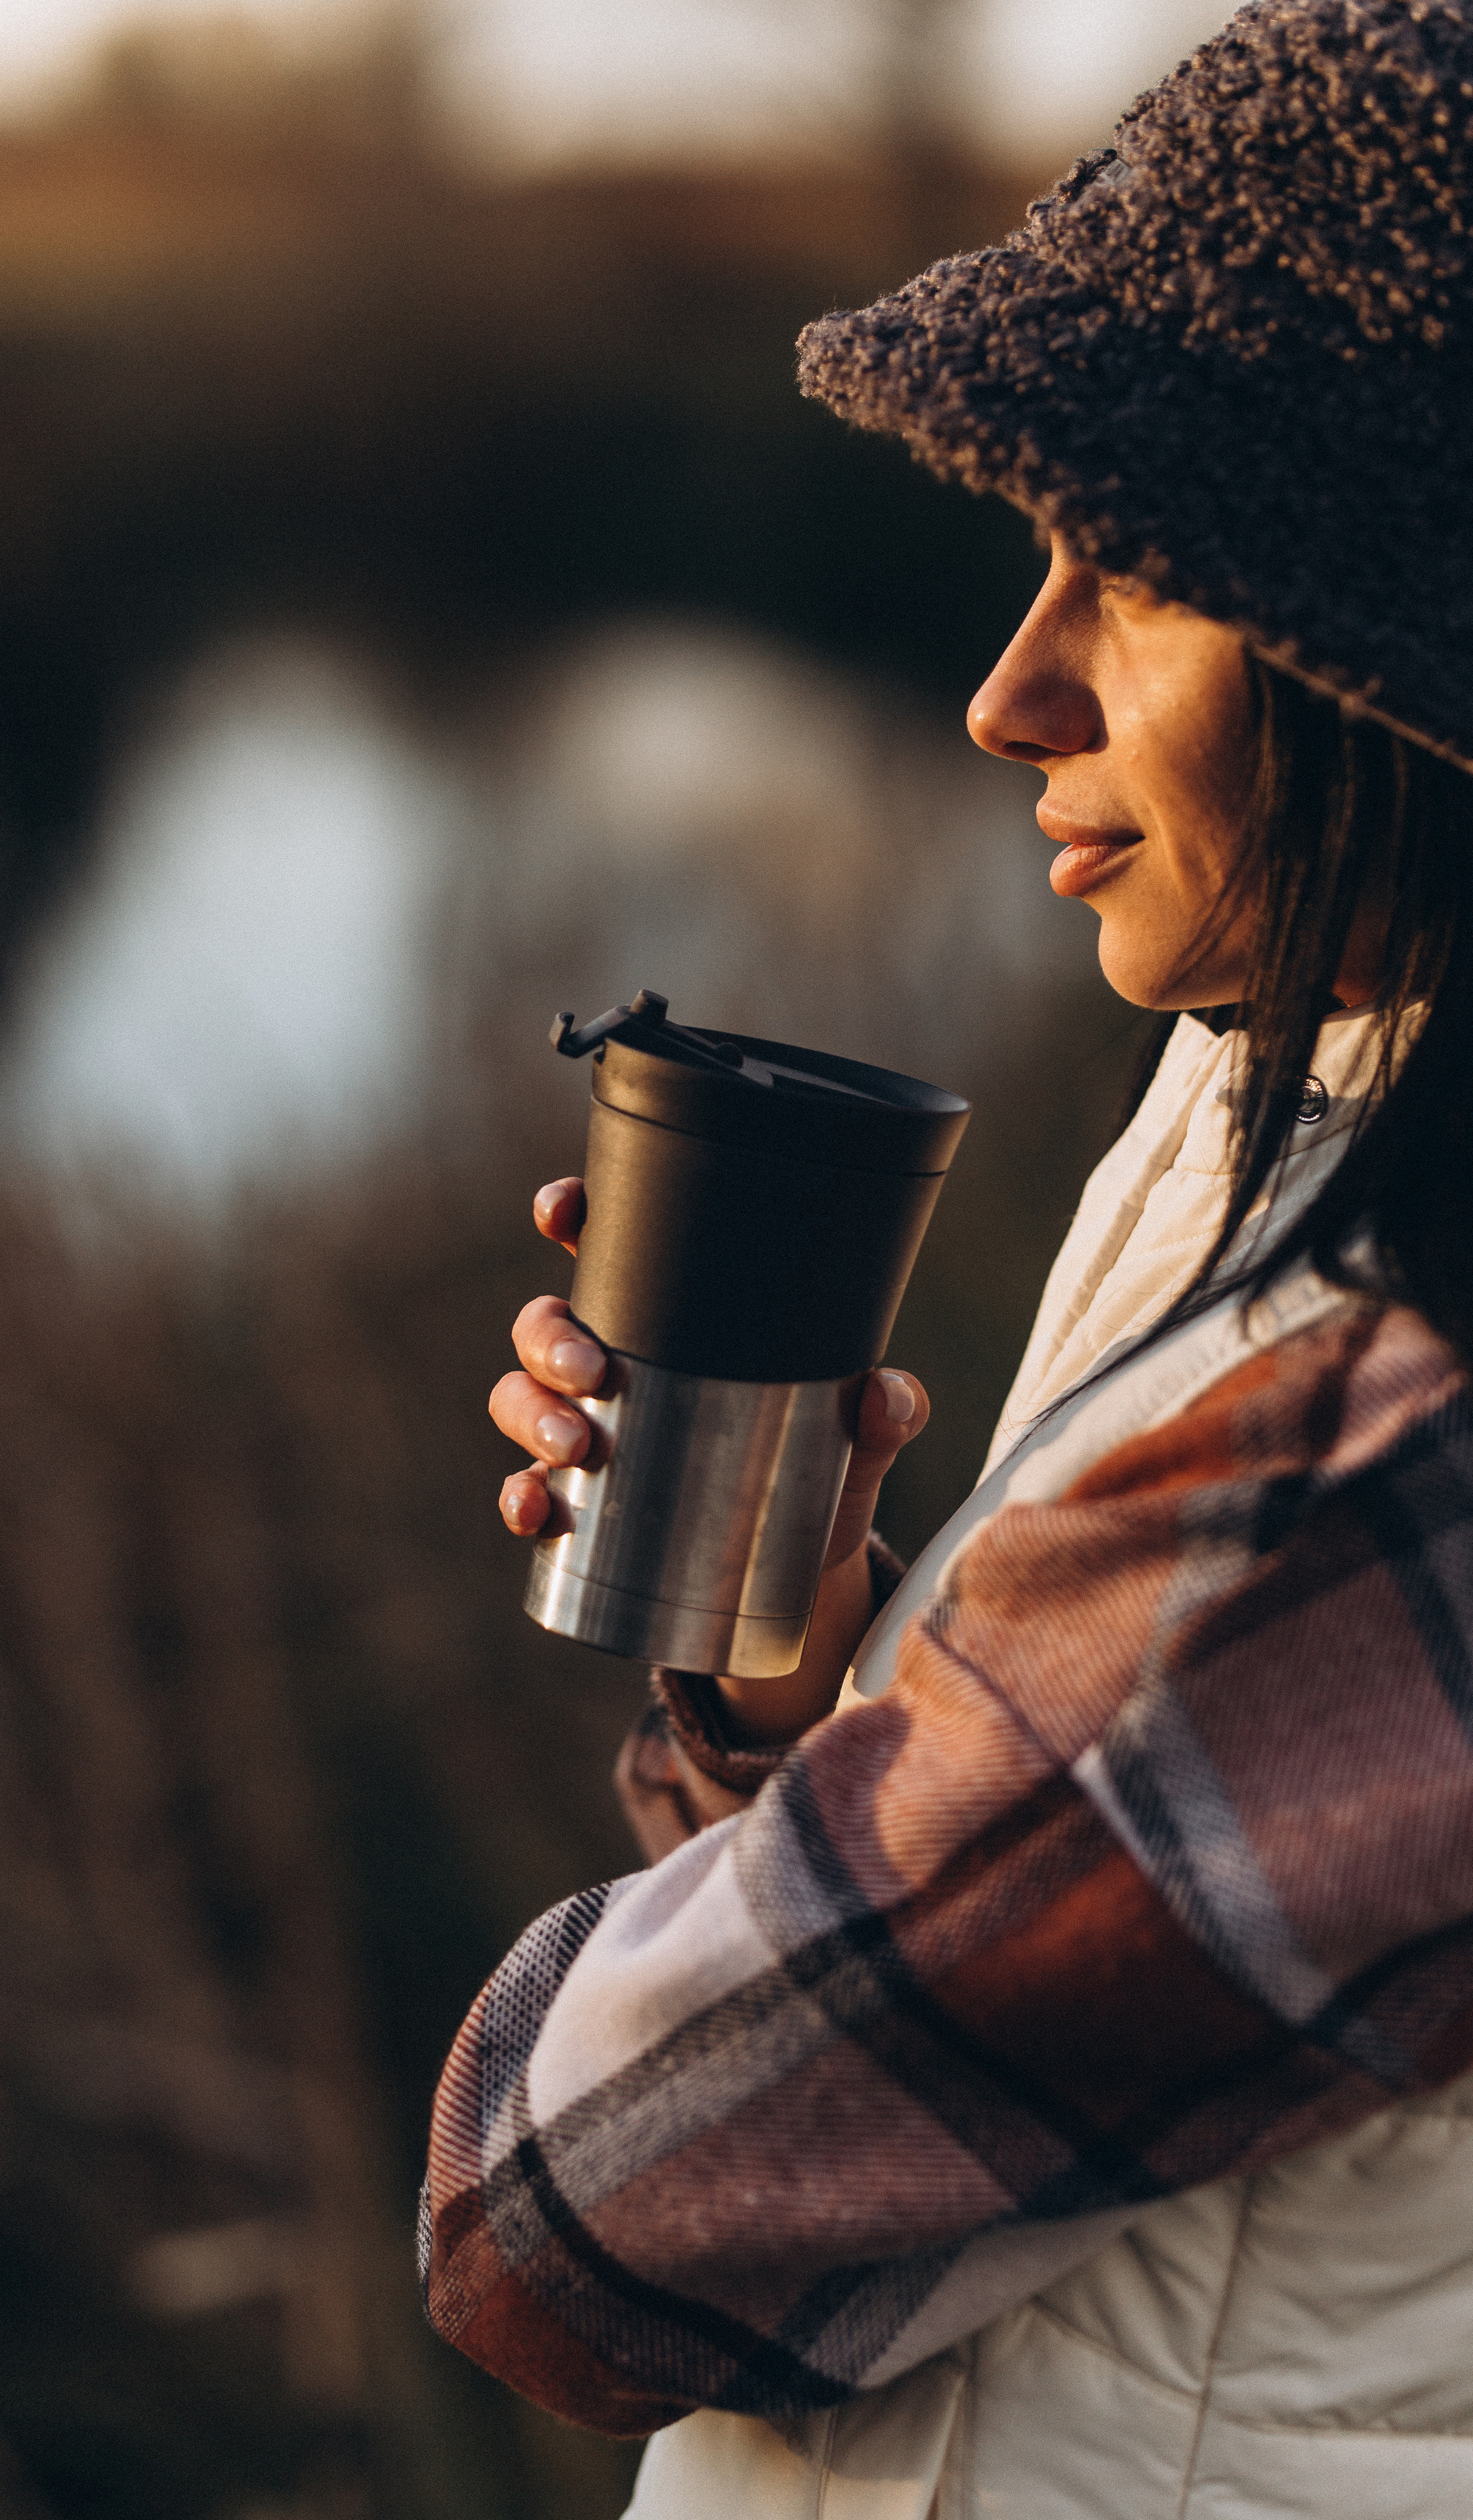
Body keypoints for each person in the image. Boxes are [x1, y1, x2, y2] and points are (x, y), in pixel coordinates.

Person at [421, 2, 1473, 2511]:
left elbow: (571, 2220)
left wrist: (752, 1890)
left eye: (1136, 575)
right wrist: (817, 1687)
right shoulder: (1294, 1101)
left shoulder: (1386, 1442)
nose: (1012, 689)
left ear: (1394, 658)